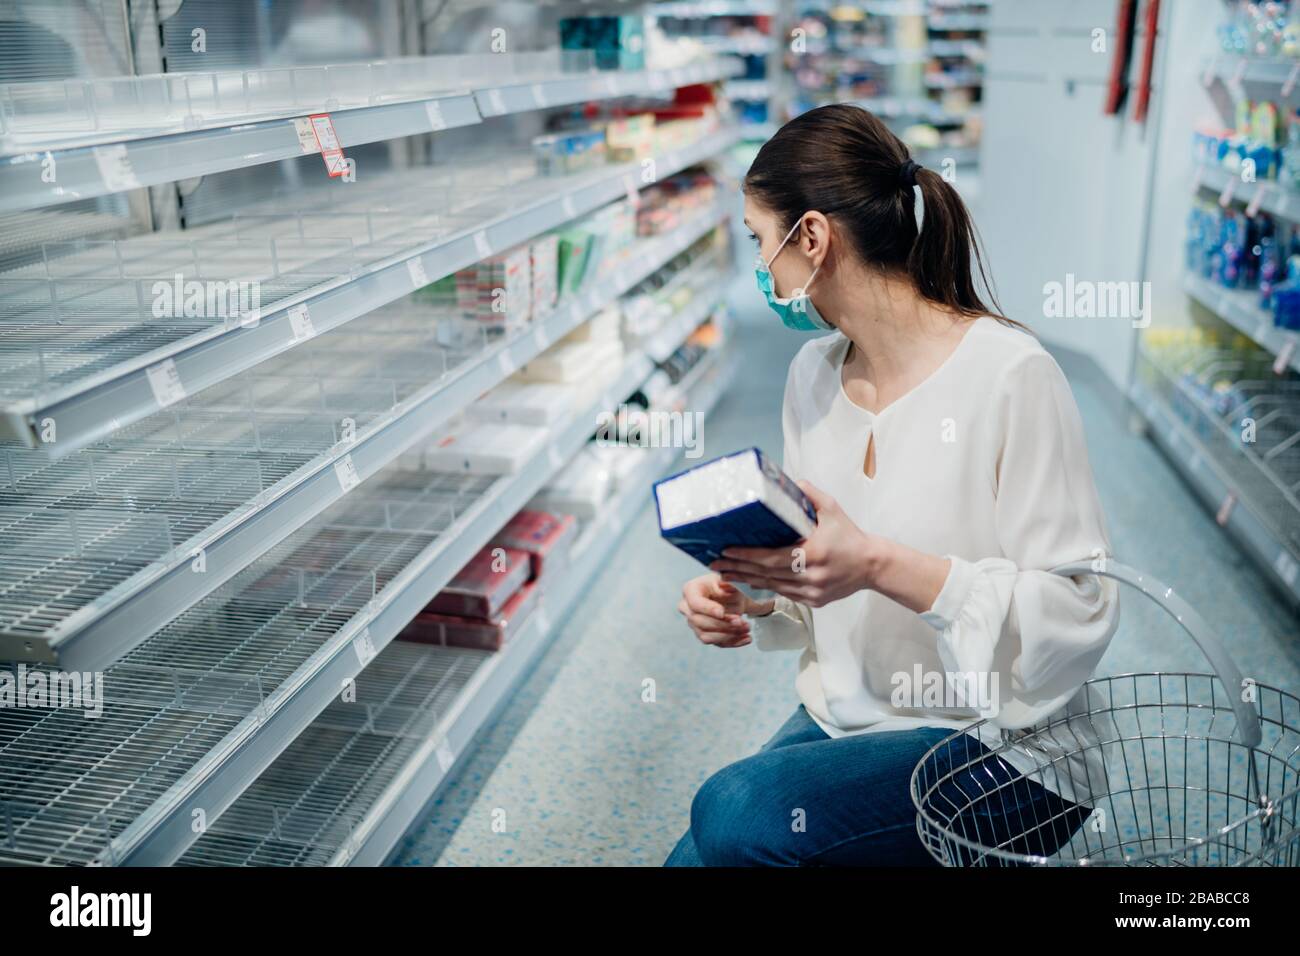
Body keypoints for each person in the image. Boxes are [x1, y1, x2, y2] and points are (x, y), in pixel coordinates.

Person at [665, 104, 1121, 867]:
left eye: (758, 240)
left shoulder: (1011, 376)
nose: (758, 267)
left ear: (810, 238)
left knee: (735, 810)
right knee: (700, 853)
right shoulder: (811, 376)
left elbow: (1079, 612)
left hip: (1006, 746)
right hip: (856, 715)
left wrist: (882, 565)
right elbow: (820, 566)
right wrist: (752, 593)